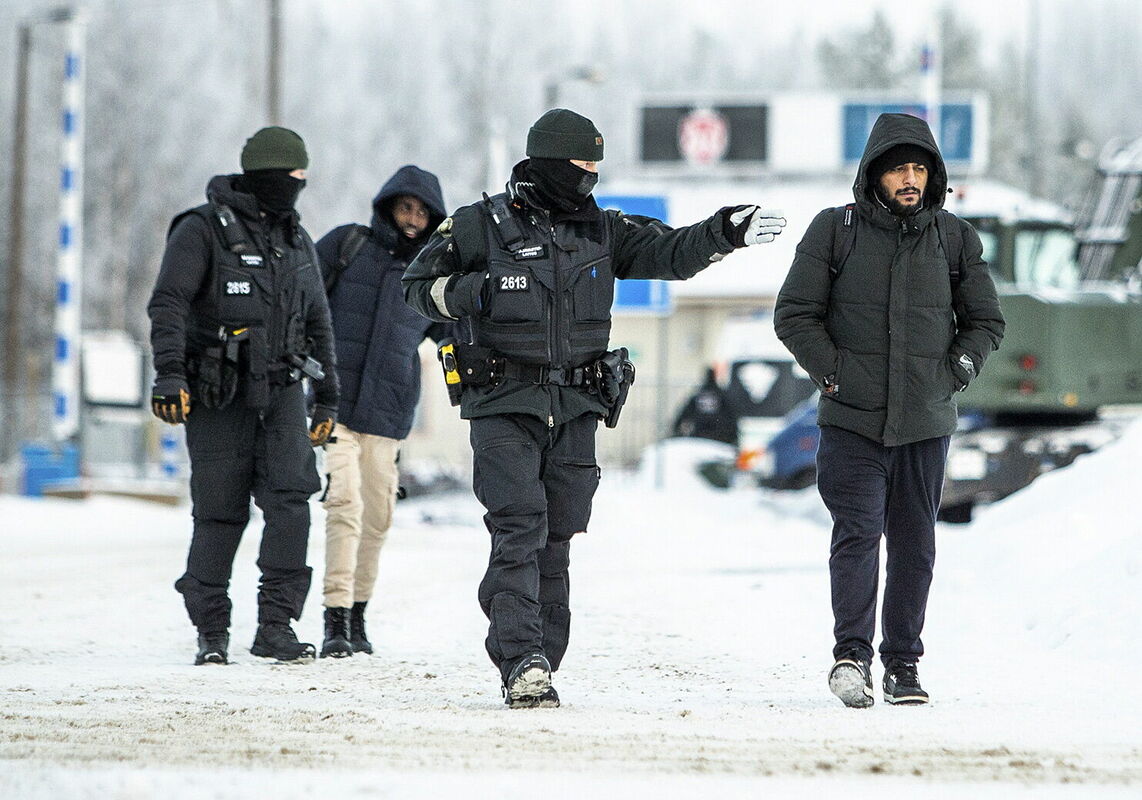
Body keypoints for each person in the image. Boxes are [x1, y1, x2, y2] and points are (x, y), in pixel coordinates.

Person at [403, 108, 786, 707]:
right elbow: (415, 287)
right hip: (504, 402)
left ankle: (541, 662)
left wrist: (725, 232)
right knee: (518, 529)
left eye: (595, 166)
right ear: (550, 162)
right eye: (581, 165)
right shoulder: (480, 226)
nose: (590, 177)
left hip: (577, 405)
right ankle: (520, 658)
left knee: (556, 537)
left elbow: (672, 253)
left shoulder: (603, 231)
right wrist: (466, 291)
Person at [773, 112, 1004, 708]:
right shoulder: (834, 230)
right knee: (857, 534)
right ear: (874, 174)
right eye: (899, 168)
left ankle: (904, 663)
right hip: (850, 420)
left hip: (925, 422)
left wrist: (957, 370)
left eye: (920, 168)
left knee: (915, 543)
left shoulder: (956, 238)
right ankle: (851, 656)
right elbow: (794, 314)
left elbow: (985, 322)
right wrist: (834, 374)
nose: (910, 178)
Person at [147, 126, 339, 666]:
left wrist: (328, 399)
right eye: (293, 177)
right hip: (217, 395)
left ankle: (276, 625)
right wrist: (169, 376)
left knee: (291, 505)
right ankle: (211, 629)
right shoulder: (201, 230)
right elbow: (168, 305)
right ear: (267, 176)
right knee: (220, 513)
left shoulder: (297, 239)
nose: (299, 186)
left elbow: (319, 323)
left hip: (282, 394)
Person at [314, 165, 452, 658]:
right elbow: (301, 301)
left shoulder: (432, 275)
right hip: (333, 408)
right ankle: (333, 619)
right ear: (389, 205)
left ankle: (357, 614)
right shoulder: (346, 247)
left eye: (422, 212)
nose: (412, 219)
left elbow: (454, 336)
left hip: (389, 414)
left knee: (378, 517)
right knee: (344, 506)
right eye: (405, 207)